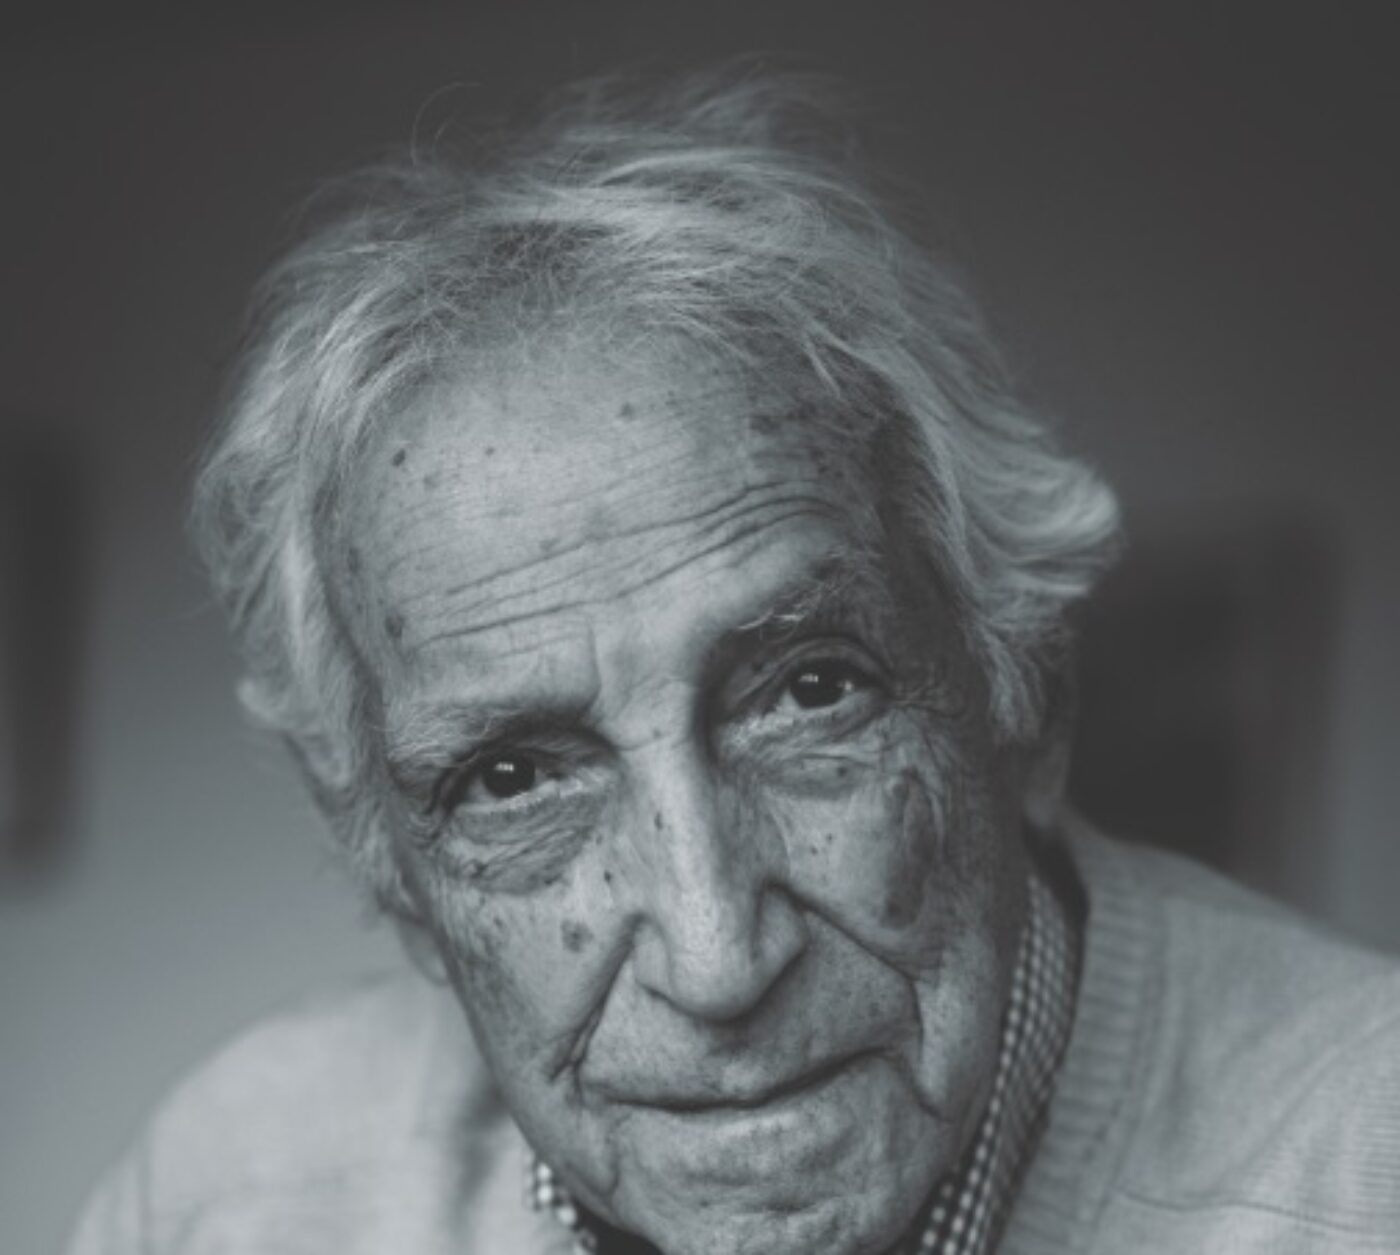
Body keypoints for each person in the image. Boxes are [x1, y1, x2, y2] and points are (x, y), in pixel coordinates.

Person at [69, 66, 1400, 1255]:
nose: (717, 962)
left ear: (1027, 696)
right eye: (515, 779)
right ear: (399, 881)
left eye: (811, 692)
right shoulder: (229, 1202)